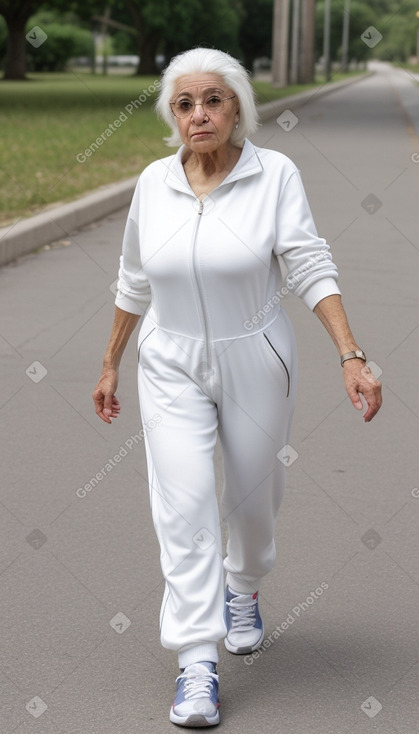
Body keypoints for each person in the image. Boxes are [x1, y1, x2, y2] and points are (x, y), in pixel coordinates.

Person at [92, 47, 382, 728]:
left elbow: (309, 262)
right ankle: (196, 662)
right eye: (185, 103)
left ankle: (243, 587)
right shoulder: (152, 183)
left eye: (213, 100)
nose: (200, 114)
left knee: (252, 502)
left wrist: (350, 353)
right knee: (184, 508)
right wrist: (110, 363)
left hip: (256, 355)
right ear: (171, 112)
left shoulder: (273, 174)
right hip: (170, 362)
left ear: (238, 107)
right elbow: (133, 280)